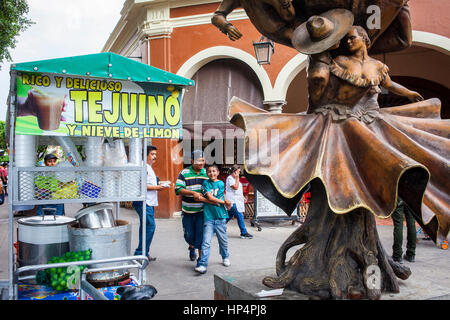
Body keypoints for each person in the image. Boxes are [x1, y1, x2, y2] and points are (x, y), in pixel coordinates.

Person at [132, 145, 169, 261]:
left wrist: (160, 183)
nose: (155, 157)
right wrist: (158, 187)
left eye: (155, 155)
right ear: (146, 155)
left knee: (146, 227)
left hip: (148, 202)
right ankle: (140, 253)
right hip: (144, 202)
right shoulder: (144, 167)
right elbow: (142, 186)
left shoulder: (148, 167)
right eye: (152, 154)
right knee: (150, 227)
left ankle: (143, 252)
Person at [194, 164, 232, 274]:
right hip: (209, 218)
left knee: (223, 240)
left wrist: (225, 202)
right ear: (206, 173)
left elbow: (221, 196)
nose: (212, 173)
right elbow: (210, 197)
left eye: (214, 171)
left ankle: (225, 256)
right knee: (206, 242)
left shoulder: (221, 183)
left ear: (218, 172)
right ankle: (202, 264)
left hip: (220, 217)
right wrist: (224, 202)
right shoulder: (205, 183)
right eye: (209, 171)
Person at [175, 150, 209, 261]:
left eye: (203, 160)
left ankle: (201, 259)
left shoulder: (206, 173)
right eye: (199, 160)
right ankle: (191, 246)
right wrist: (193, 193)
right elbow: (178, 189)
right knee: (189, 235)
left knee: (201, 235)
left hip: (201, 211)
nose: (201, 163)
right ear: (192, 160)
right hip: (187, 211)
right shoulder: (184, 172)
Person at [225, 165, 253, 239]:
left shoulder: (235, 179)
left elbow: (238, 191)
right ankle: (243, 232)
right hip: (232, 201)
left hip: (237, 201)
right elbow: (235, 187)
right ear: (234, 172)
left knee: (228, 216)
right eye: (238, 171)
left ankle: (216, 227)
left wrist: (243, 197)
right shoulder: (230, 178)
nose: (239, 172)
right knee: (239, 215)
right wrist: (237, 178)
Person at [392, 198, 417, 263]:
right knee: (411, 223)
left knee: (398, 224)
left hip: (398, 195)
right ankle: (411, 254)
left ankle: (397, 255)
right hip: (410, 194)